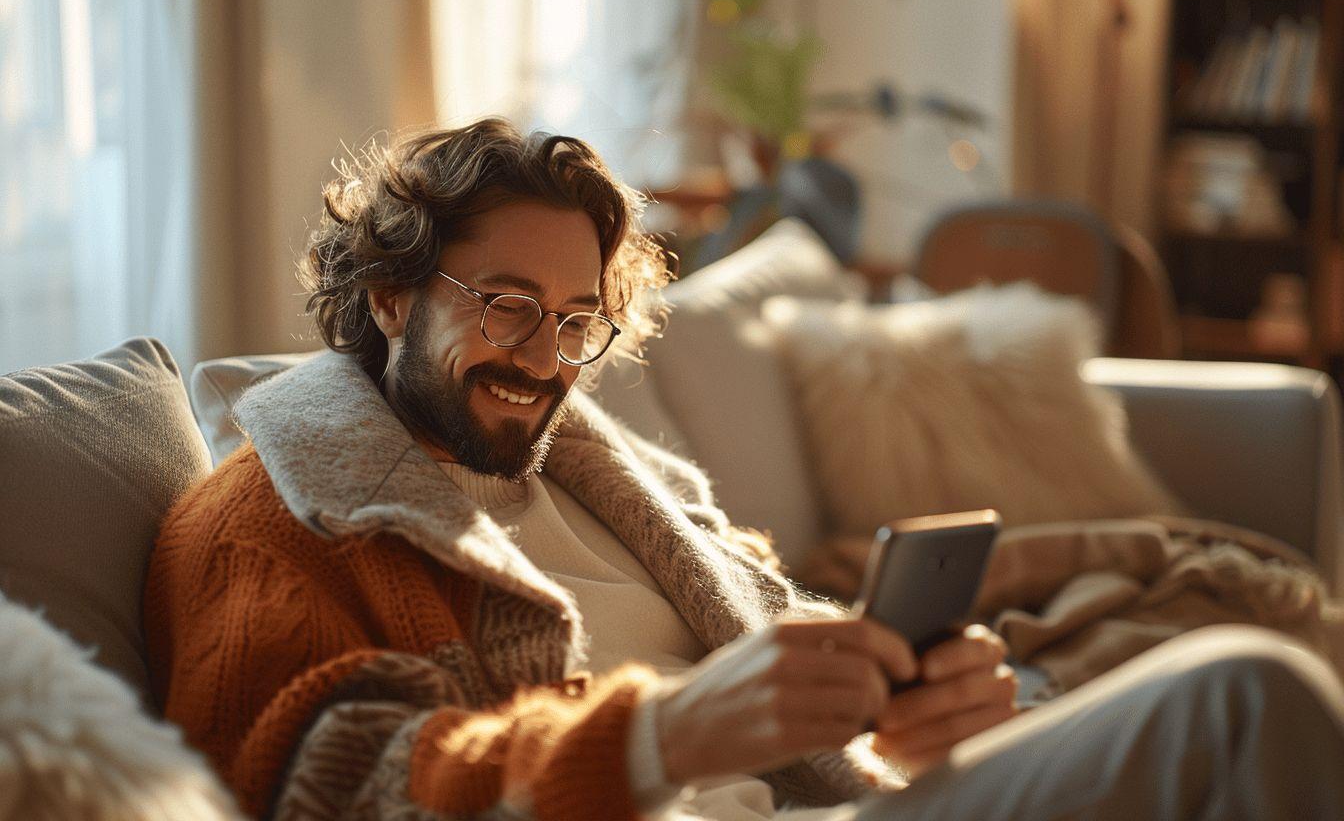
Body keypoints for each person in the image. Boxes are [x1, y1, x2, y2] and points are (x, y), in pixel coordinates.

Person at [144, 118, 1344, 821]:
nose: (543, 358)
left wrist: (898, 715)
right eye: (506, 305)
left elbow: (778, 631)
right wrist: (664, 735)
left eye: (574, 321)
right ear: (390, 291)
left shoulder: (606, 479)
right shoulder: (271, 517)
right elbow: (333, 782)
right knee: (1246, 694)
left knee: (1225, 692)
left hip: (838, 799)